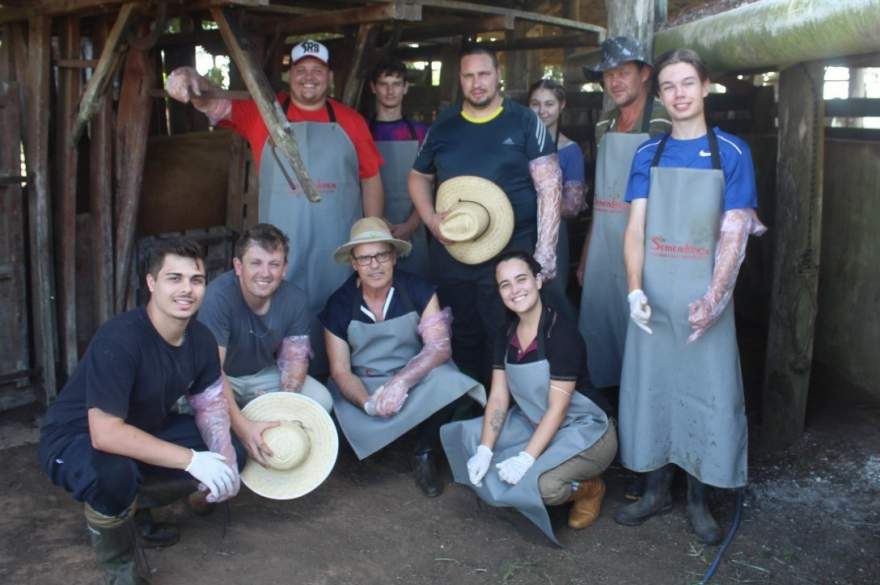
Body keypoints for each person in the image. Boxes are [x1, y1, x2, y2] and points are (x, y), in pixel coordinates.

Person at [614, 48, 766, 545]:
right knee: (652, 389)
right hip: (654, 299)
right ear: (660, 96)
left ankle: (701, 498)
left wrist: (715, 297)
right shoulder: (647, 154)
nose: (678, 95)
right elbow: (635, 229)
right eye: (669, 87)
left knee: (707, 393)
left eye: (687, 84)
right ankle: (655, 490)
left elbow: (734, 233)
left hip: (705, 300)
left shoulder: (733, 152)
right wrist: (635, 289)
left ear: (705, 88)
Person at [165, 39, 384, 376]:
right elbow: (213, 101)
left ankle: (339, 384)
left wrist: (372, 235)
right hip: (280, 252)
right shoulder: (261, 111)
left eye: (317, 71)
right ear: (289, 74)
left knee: (339, 313)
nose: (309, 77)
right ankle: (281, 388)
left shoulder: (350, 121)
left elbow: (370, 178)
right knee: (280, 310)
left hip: (337, 250)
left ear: (329, 76)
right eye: (301, 70)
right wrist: (192, 79)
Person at [37, 238, 247, 584]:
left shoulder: (201, 339)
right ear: (151, 283)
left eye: (196, 280)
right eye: (174, 278)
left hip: (144, 430)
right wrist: (191, 460)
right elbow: (104, 434)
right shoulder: (120, 338)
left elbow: (210, 406)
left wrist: (222, 461)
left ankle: (133, 508)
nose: (187, 289)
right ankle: (121, 567)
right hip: (77, 437)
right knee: (113, 475)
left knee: (233, 451)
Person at [409, 46, 562, 385]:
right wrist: (431, 220)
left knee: (508, 329)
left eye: (483, 74)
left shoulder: (524, 120)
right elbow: (418, 177)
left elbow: (549, 186)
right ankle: (471, 403)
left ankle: (509, 407)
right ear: (459, 80)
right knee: (460, 329)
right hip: (454, 249)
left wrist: (546, 251)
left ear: (498, 77)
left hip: (512, 251)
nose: (476, 83)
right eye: (468, 76)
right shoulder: (444, 124)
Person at [441, 251, 616, 544]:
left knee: (545, 486)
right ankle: (512, 467)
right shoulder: (506, 334)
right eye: (505, 284)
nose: (515, 290)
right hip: (534, 419)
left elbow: (559, 409)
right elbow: (498, 398)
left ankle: (589, 489)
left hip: (584, 428)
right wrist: (485, 449)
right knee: (468, 437)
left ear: (537, 280)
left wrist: (525, 459)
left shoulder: (560, 334)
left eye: (521, 279)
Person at [320, 217, 484, 497]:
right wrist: (368, 404)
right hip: (365, 385)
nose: (374, 265)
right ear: (354, 263)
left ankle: (424, 452)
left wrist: (401, 382)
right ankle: (383, 438)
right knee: (331, 416)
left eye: (381, 255)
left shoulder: (419, 290)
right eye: (365, 258)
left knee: (452, 381)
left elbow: (438, 347)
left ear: (394, 256)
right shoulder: (339, 303)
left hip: (414, 381)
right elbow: (340, 371)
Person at [189, 224, 333, 469]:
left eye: (274, 264)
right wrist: (242, 426)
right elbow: (212, 372)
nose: (265, 273)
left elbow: (295, 361)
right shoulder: (218, 297)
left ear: (284, 268)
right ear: (238, 266)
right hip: (222, 376)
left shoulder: (295, 299)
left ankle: (278, 447)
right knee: (203, 413)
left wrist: (282, 404)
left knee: (321, 399)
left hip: (261, 375)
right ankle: (239, 439)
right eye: (256, 263)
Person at [576, 36, 672, 391]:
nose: (614, 81)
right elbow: (603, 195)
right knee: (601, 328)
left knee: (644, 329)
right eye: (608, 74)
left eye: (623, 73)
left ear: (644, 74)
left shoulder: (664, 120)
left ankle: (641, 404)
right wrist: (587, 253)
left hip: (648, 244)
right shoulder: (604, 124)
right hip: (605, 243)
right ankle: (606, 408)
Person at [528, 79, 586, 320]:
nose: (542, 110)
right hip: (515, 227)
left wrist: (540, 203)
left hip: (554, 233)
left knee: (552, 293)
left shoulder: (570, 150)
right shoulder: (519, 146)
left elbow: (572, 206)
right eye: (535, 103)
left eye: (549, 104)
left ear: (562, 105)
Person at [369, 59, 431, 278]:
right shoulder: (361, 131)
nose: (390, 90)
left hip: (413, 231)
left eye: (396, 83)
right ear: (373, 87)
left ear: (405, 88)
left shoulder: (422, 133)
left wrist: (411, 225)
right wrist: (377, 223)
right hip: (371, 232)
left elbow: (430, 183)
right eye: (384, 83)